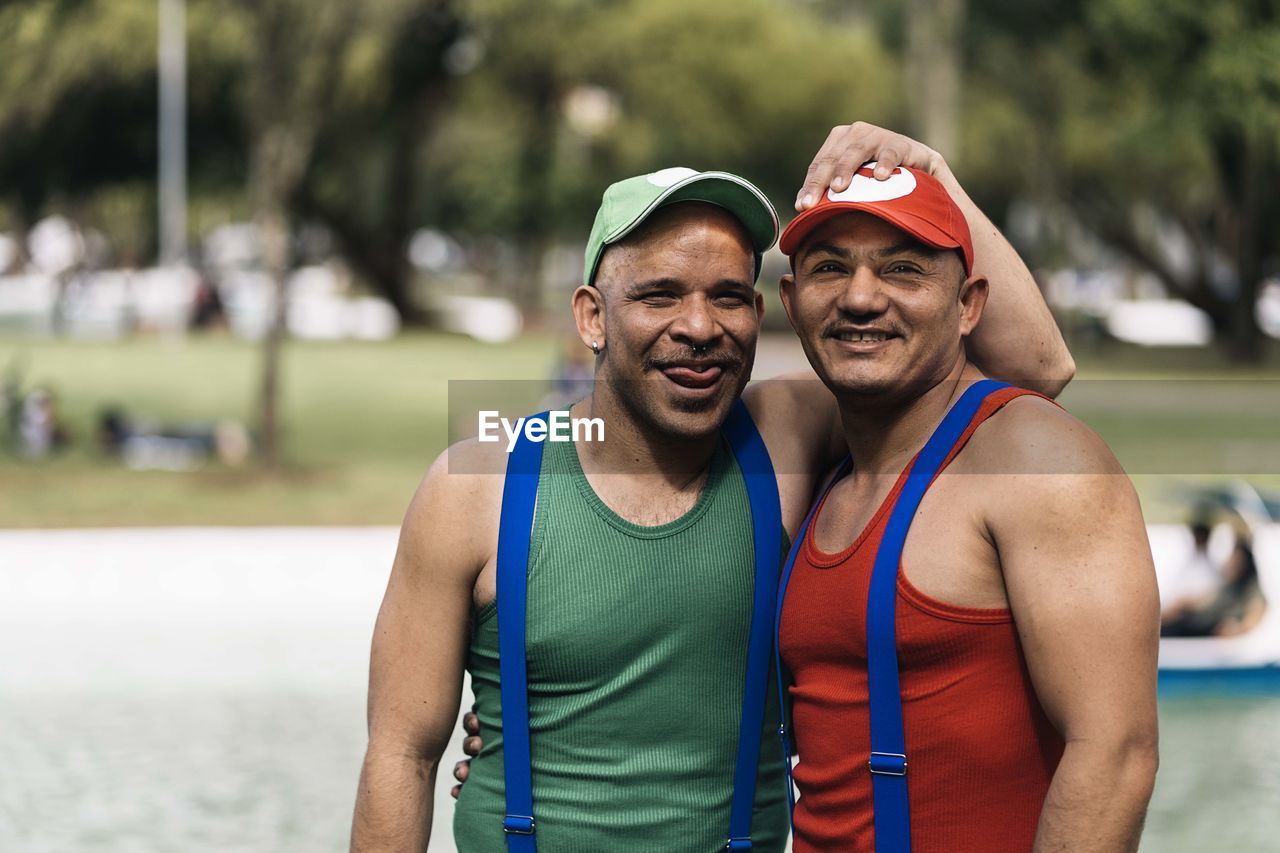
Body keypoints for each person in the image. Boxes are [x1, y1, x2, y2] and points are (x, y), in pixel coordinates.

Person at [350, 124, 1073, 852]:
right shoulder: (481, 486)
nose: (698, 326)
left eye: (728, 296)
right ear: (592, 316)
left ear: (759, 316)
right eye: (660, 294)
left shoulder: (789, 437)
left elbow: (1033, 373)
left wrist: (935, 174)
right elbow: (401, 756)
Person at [771, 157, 1160, 851]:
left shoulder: (1036, 458)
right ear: (791, 299)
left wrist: (933, 167)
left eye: (903, 269)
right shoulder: (819, 463)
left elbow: (1115, 754)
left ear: (969, 306)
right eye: (831, 267)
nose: (861, 297)